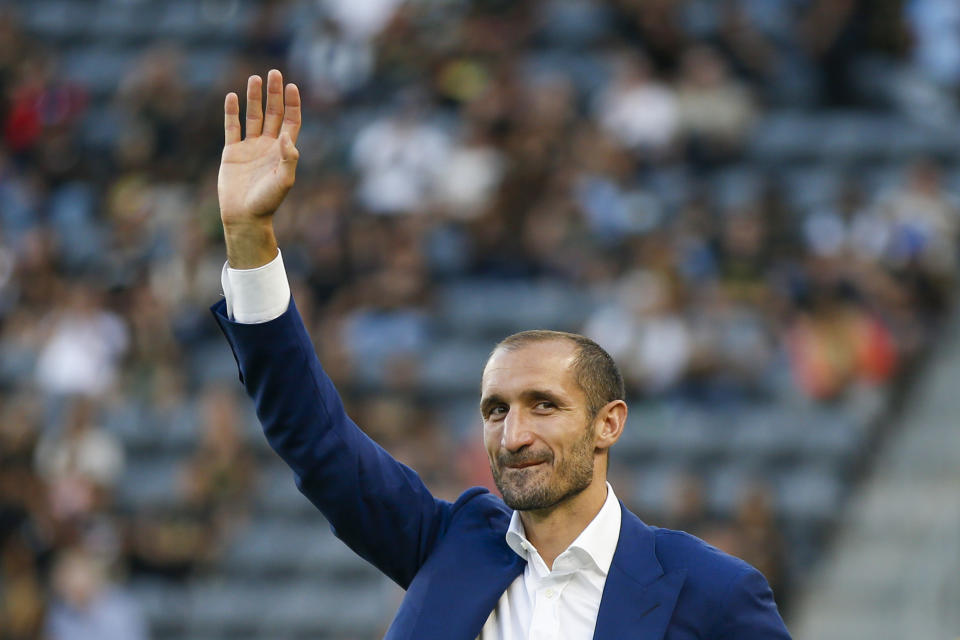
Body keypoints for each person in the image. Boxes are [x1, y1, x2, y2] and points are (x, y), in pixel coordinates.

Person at [210, 69, 791, 639]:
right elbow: (315, 439)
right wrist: (249, 237)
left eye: (543, 405)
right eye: (496, 410)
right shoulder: (449, 545)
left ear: (607, 423)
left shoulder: (712, 593)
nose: (513, 436)